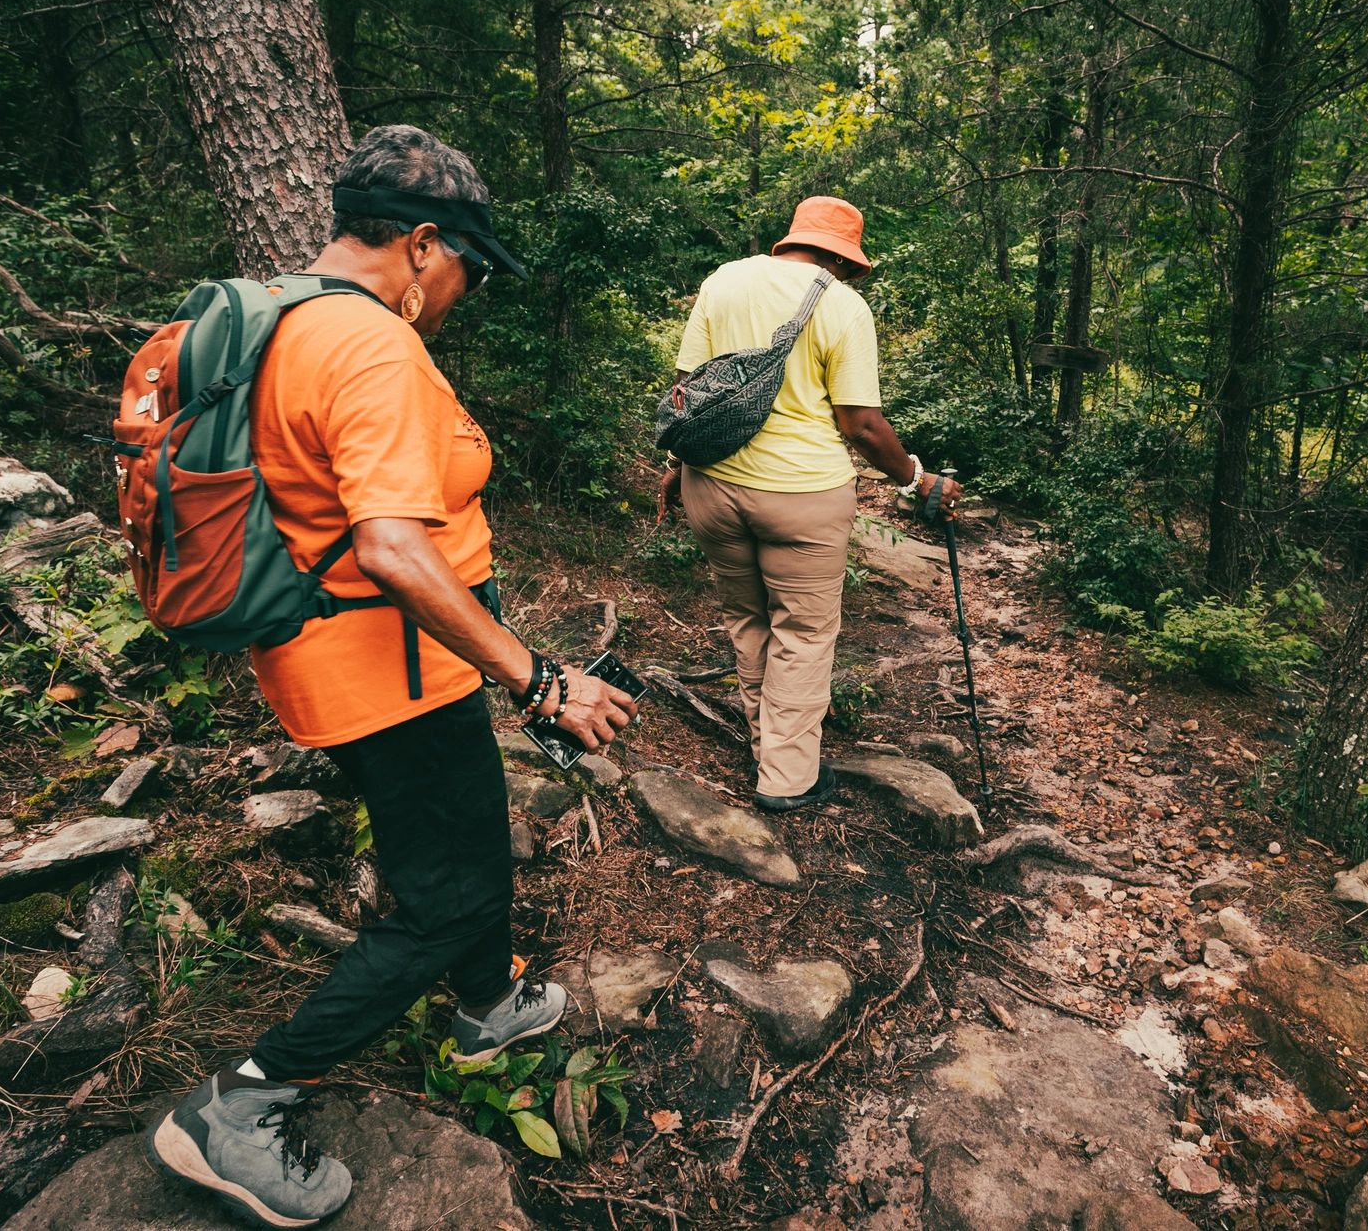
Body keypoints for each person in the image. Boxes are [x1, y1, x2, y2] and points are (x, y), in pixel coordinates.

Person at [146, 125, 638, 1229]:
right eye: (464, 265)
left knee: (469, 822)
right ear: (421, 244)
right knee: (443, 890)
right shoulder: (366, 345)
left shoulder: (285, 322)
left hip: (352, 660)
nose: (464, 289)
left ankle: (486, 1006)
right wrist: (540, 679)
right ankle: (239, 1104)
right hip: (392, 670)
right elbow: (394, 546)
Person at [658, 196, 961, 813]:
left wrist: (675, 467)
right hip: (802, 496)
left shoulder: (724, 281)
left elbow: (688, 394)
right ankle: (787, 777)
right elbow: (863, 425)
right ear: (845, 257)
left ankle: (764, 741)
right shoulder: (843, 305)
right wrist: (916, 479)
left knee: (747, 619)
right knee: (803, 633)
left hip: (710, 486)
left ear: (793, 239)